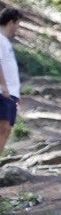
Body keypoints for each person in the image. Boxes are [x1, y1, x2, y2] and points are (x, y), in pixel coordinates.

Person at [0, 8, 22, 156]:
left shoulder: (5, 41)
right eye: (18, 23)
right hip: (3, 93)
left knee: (6, 131)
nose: (18, 27)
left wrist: (16, 94)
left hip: (10, 94)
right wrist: (5, 87)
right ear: (11, 22)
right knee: (3, 129)